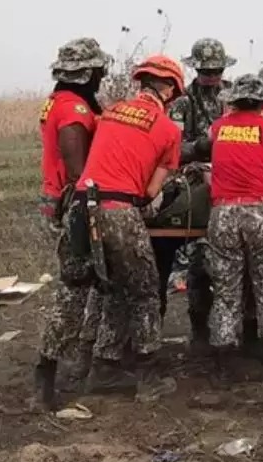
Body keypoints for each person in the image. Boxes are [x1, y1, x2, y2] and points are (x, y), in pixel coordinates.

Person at [74, 54, 186, 393]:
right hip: (118, 210)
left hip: (81, 207)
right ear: (168, 89)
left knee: (110, 288)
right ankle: (149, 378)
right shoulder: (168, 130)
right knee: (146, 291)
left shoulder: (110, 113)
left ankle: (102, 366)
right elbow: (150, 191)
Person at [203, 75, 263, 379]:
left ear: (233, 99)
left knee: (226, 289)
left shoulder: (218, 127)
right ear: (262, 101)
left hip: (223, 214)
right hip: (259, 211)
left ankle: (224, 364)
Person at [34, 37, 110, 409]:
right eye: (98, 71)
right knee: (76, 289)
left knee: (89, 287)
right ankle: (47, 371)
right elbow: (78, 169)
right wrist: (90, 204)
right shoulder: (76, 111)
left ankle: (78, 362)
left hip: (61, 200)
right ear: (88, 73)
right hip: (78, 205)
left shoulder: (58, 101)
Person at [164, 37, 238, 348]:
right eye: (207, 71)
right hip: (195, 181)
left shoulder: (234, 94)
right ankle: (199, 326)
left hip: (233, 176)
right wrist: (200, 150)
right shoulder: (183, 102)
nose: (212, 76)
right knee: (197, 258)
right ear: (196, 69)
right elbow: (173, 147)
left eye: (217, 70)